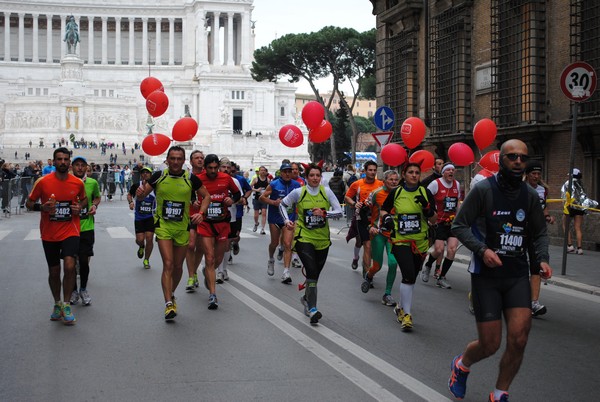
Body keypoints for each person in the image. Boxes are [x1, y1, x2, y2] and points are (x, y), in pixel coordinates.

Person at [448, 139, 552, 402]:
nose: (519, 161)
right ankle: (461, 365)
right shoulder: (483, 190)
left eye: (523, 158)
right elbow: (459, 226)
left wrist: (542, 259)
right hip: (487, 276)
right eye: (512, 157)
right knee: (490, 344)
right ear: (501, 160)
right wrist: (482, 250)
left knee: (519, 339)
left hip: (516, 275)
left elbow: (539, 232)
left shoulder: (529, 195)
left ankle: (499, 393)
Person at [136, 146, 211, 321]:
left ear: (184, 161)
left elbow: (206, 196)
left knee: (178, 267)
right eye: (173, 158)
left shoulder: (190, 178)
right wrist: (139, 195)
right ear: (167, 160)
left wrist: (201, 213)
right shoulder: (159, 176)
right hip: (163, 226)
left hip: (182, 227)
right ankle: (168, 303)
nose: (176, 162)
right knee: (168, 264)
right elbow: (143, 195)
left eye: (179, 159)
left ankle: (172, 293)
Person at [26, 147, 87, 325]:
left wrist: (80, 207)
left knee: (69, 266)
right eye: (59, 159)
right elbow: (29, 203)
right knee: (54, 271)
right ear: (53, 161)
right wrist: (42, 207)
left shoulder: (77, 183)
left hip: (71, 230)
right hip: (49, 232)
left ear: (69, 162)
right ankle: (57, 303)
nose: (62, 162)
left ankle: (66, 304)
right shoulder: (43, 182)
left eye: (65, 159)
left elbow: (83, 200)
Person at [279, 163, 343, 324]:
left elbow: (339, 211)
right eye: (312, 175)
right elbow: (282, 204)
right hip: (303, 237)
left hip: (322, 239)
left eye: (317, 175)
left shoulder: (326, 192)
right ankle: (313, 309)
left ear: (321, 177)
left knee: (314, 275)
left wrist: (324, 213)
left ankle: (306, 298)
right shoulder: (298, 192)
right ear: (306, 177)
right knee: (311, 270)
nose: (315, 178)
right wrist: (287, 220)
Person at [379, 163, 437, 331]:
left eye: (417, 172)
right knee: (408, 275)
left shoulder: (425, 193)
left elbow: (434, 220)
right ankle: (407, 315)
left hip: (420, 242)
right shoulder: (396, 192)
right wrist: (388, 218)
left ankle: (401, 308)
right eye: (410, 172)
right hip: (401, 240)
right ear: (404, 174)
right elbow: (384, 210)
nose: (414, 175)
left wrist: (427, 208)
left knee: (412, 277)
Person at [197, 154, 241, 310]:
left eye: (216, 168)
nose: (213, 171)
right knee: (209, 257)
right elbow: (189, 194)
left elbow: (237, 194)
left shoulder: (226, 178)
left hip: (222, 223)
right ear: (205, 168)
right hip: (206, 223)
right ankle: (213, 295)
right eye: (210, 168)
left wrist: (232, 200)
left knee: (218, 258)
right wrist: (194, 202)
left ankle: (208, 272)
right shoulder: (198, 178)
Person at [360, 169, 400, 306]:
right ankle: (369, 275)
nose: (394, 182)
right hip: (378, 233)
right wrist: (369, 227)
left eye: (396, 180)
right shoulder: (376, 193)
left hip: (394, 235)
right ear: (384, 180)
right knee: (376, 266)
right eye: (391, 179)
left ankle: (387, 294)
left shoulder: (401, 193)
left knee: (393, 263)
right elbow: (363, 211)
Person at [421, 163, 462, 289]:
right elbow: (426, 199)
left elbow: (458, 202)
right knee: (438, 250)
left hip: (452, 222)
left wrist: (459, 218)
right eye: (448, 170)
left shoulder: (457, 184)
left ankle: (442, 277)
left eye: (453, 170)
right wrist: (429, 215)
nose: (451, 172)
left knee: (452, 249)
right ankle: (428, 266)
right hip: (438, 222)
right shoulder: (435, 184)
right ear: (443, 172)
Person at [260, 163, 301, 283]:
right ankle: (271, 259)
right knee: (274, 242)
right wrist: (273, 202)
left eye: (290, 171)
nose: (288, 174)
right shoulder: (274, 184)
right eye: (285, 171)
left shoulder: (296, 185)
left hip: (289, 218)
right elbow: (262, 198)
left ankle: (286, 272)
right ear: (281, 173)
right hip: (275, 218)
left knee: (288, 244)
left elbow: (300, 200)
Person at [69, 156, 101, 306]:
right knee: (70, 263)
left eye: (83, 165)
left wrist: (94, 206)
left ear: (87, 167)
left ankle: (83, 288)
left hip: (87, 226)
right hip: (69, 228)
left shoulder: (92, 183)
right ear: (72, 167)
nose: (80, 168)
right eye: (77, 165)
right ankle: (73, 290)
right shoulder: (66, 182)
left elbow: (97, 197)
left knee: (83, 261)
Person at [525, 160, 555, 317]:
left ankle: (533, 303)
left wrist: (548, 216)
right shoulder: (520, 188)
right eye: (533, 173)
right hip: (521, 232)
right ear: (527, 174)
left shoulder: (543, 190)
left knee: (536, 266)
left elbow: (544, 207)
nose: (536, 176)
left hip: (536, 233)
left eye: (538, 174)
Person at [344, 160, 383, 272]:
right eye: (370, 170)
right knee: (362, 242)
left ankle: (367, 269)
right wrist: (354, 204)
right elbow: (347, 198)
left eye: (374, 170)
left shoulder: (380, 184)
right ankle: (357, 260)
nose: (372, 172)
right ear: (365, 171)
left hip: (375, 219)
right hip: (361, 218)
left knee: (370, 246)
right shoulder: (357, 184)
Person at [561, 168, 594, 255]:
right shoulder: (581, 184)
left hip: (570, 207)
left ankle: (570, 245)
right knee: (578, 227)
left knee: (565, 225)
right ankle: (579, 248)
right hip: (579, 208)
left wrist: (565, 205)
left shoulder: (568, 183)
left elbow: (564, 195)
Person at [128, 166, 156, 269]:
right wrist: (131, 202)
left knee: (149, 239)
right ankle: (141, 246)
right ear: (141, 175)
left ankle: (146, 259)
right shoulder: (136, 185)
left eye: (147, 173)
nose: (145, 174)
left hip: (150, 217)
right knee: (139, 239)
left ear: (151, 175)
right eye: (143, 173)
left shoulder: (155, 187)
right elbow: (129, 194)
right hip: (139, 217)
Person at [185, 150, 205, 291]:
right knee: (190, 245)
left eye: (201, 158)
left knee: (200, 247)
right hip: (190, 214)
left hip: (204, 216)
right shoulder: (186, 176)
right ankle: (191, 275)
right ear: (191, 161)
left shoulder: (208, 176)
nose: (199, 160)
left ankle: (195, 270)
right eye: (196, 158)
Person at [250, 166, 270, 234]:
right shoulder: (256, 179)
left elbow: (270, 188)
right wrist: (256, 190)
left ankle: (262, 229)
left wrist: (267, 193)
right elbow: (250, 187)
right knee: (256, 214)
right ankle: (256, 223)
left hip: (264, 198)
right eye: (261, 170)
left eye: (264, 170)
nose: (263, 171)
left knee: (264, 213)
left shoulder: (268, 180)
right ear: (259, 171)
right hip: (257, 198)